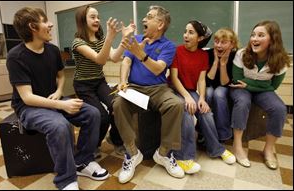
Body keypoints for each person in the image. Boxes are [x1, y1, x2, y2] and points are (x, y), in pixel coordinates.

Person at [6, 7, 109, 190]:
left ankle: (83, 162)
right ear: (33, 27)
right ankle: (66, 179)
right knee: (60, 125)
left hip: (54, 100)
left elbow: (61, 76)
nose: (51, 23)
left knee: (93, 113)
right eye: (45, 21)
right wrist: (61, 104)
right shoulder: (16, 57)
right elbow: (27, 97)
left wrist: (60, 91)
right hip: (29, 107)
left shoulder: (52, 50)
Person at [112, 5, 185, 183]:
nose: (144, 19)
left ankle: (164, 153)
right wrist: (123, 81)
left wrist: (141, 54)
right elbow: (126, 62)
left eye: (149, 16)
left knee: (175, 104)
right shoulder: (135, 39)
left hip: (158, 89)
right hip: (135, 87)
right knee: (118, 104)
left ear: (160, 24)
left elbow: (158, 69)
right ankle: (132, 153)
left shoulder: (168, 46)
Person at [170, 20, 236, 174]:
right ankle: (184, 157)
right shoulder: (177, 50)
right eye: (185, 31)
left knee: (205, 111)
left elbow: (201, 80)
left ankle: (216, 149)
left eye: (191, 32)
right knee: (186, 112)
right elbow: (174, 78)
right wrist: (187, 97)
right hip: (176, 90)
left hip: (193, 91)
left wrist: (201, 99)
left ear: (200, 38)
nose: (186, 35)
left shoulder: (203, 55)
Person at [72, 5, 136, 157]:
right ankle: (94, 146)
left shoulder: (100, 39)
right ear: (82, 20)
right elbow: (100, 60)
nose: (97, 20)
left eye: (98, 17)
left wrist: (125, 38)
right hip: (83, 85)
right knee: (102, 116)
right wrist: (109, 37)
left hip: (99, 81)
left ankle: (115, 140)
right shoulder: (78, 42)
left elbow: (114, 57)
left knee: (119, 105)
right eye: (92, 17)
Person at [230, 20, 290, 169]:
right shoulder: (242, 53)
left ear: (272, 40)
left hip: (261, 91)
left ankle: (268, 150)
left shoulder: (281, 60)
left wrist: (250, 84)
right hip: (241, 89)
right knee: (242, 103)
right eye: (253, 35)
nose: (254, 39)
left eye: (260, 35)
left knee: (279, 108)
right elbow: (237, 80)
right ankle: (237, 146)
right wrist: (258, 85)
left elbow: (273, 86)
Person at [205, 28, 240, 141]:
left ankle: (223, 134)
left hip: (225, 86)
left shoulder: (235, 56)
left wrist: (223, 64)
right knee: (209, 93)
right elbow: (209, 80)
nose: (219, 45)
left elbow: (225, 83)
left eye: (224, 42)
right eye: (216, 41)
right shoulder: (209, 53)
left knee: (219, 93)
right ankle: (203, 131)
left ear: (232, 44)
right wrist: (216, 62)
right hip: (210, 84)